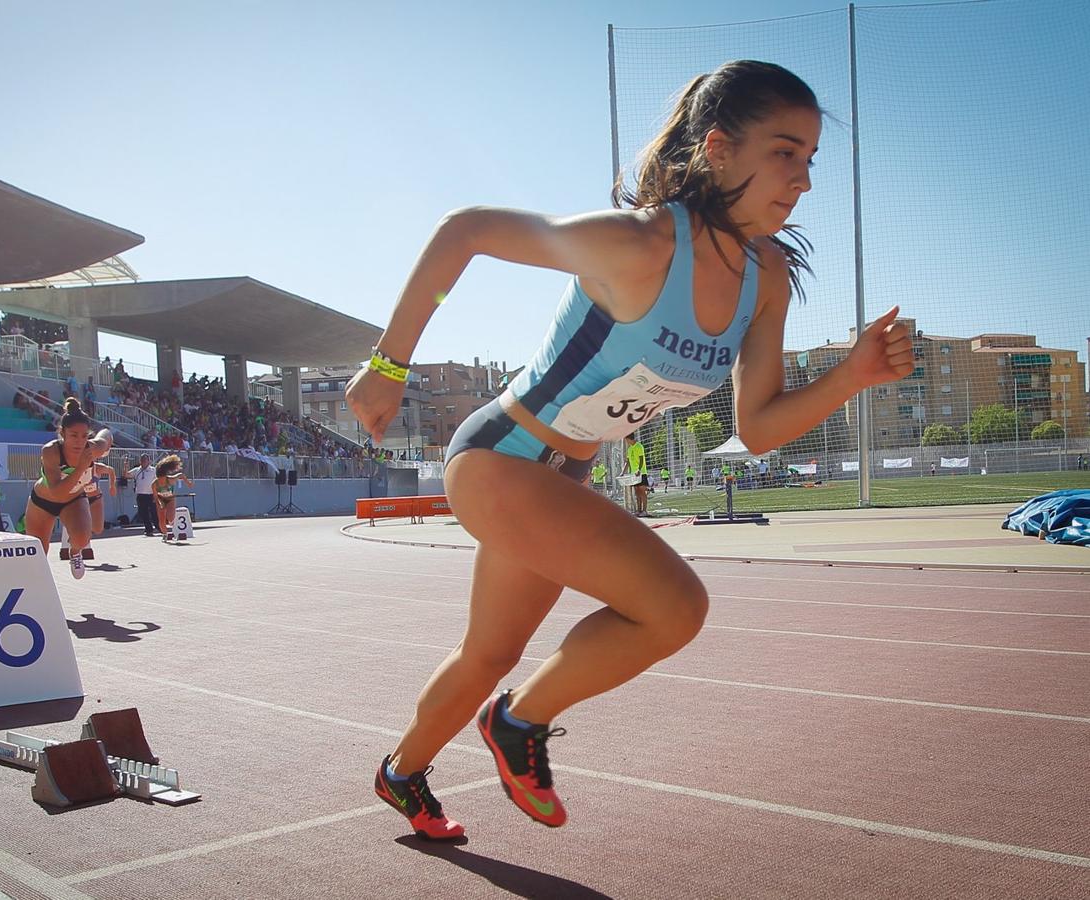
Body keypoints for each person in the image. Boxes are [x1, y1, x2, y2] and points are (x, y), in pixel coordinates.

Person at [347, 60, 915, 840]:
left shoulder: (767, 277)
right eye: (785, 153)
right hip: (502, 459)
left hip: (561, 479)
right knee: (673, 608)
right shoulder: (643, 245)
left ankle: (401, 773)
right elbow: (466, 231)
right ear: (719, 148)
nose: (804, 180)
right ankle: (516, 724)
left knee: (489, 652)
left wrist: (852, 376)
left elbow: (758, 427)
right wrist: (388, 366)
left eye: (810, 159)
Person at [23, 398, 112, 578]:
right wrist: (80, 468)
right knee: (37, 554)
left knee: (82, 538)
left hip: (73, 500)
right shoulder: (50, 452)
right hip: (43, 502)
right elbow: (57, 492)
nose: (79, 442)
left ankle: (75, 552)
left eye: (84, 436)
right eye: (73, 435)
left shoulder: (93, 449)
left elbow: (105, 437)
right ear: (62, 433)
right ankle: (37, 585)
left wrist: (106, 438)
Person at [152, 454, 191, 542]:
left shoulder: (170, 479)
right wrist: (159, 504)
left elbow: (181, 475)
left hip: (170, 498)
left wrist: (188, 483)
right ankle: (164, 534)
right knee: (161, 519)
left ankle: (172, 523)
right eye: (160, 479)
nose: (162, 481)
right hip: (160, 499)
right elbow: (155, 496)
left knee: (170, 517)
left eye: (163, 478)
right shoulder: (154, 484)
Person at [125, 454, 158, 536]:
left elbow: (157, 482)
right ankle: (149, 529)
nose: (143, 462)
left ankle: (159, 527)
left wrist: (156, 494)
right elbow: (126, 475)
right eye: (142, 460)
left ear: (149, 461)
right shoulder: (137, 470)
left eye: (145, 460)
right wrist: (126, 466)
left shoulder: (153, 470)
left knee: (154, 512)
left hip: (151, 494)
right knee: (143, 513)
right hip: (141, 494)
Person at [84, 461, 117, 536]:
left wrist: (112, 486)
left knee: (98, 529)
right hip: (81, 499)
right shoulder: (76, 467)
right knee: (83, 526)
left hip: (95, 498)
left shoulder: (97, 467)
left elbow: (111, 470)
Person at [625, 434, 650, 516]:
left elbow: (642, 460)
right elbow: (628, 462)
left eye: (626, 440)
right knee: (637, 492)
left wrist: (639, 470)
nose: (626, 442)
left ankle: (644, 511)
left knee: (642, 492)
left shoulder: (639, 446)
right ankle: (638, 510)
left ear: (629, 439)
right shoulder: (629, 449)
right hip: (634, 474)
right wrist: (623, 472)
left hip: (641, 472)